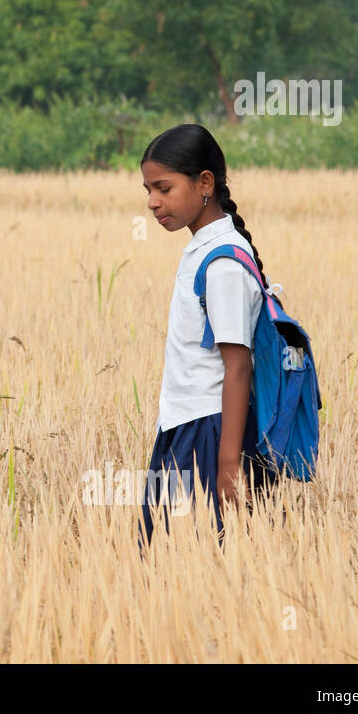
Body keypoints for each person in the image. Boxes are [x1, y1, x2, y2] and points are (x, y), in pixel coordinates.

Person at [138, 124, 278, 545]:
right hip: (182, 426)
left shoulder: (223, 266)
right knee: (167, 557)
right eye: (147, 189)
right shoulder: (203, 251)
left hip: (210, 431)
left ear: (204, 183)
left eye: (163, 187)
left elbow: (238, 368)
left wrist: (228, 465)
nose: (151, 202)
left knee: (188, 557)